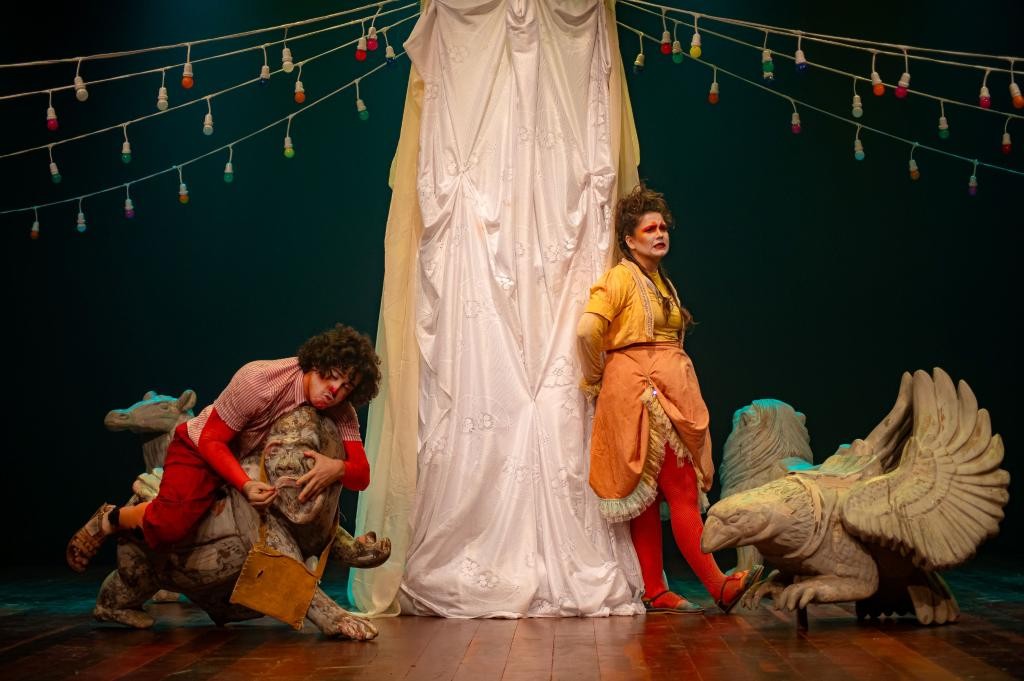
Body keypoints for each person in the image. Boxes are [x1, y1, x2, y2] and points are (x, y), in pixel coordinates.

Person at [576, 184, 762, 614]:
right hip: (644, 394)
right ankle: (718, 585)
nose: (660, 234)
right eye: (649, 229)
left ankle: (654, 590)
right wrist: (597, 376)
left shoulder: (658, 280)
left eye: (662, 227)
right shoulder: (621, 278)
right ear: (629, 239)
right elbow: (587, 330)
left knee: (649, 498)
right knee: (681, 491)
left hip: (666, 388)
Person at [67, 323, 382, 570]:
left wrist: (337, 468)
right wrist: (244, 484)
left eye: (347, 386)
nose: (335, 390)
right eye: (332, 376)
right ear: (315, 362)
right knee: (170, 527)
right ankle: (111, 518)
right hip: (202, 450)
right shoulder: (260, 380)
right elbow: (210, 439)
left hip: (252, 463)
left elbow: (363, 475)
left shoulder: (342, 411)